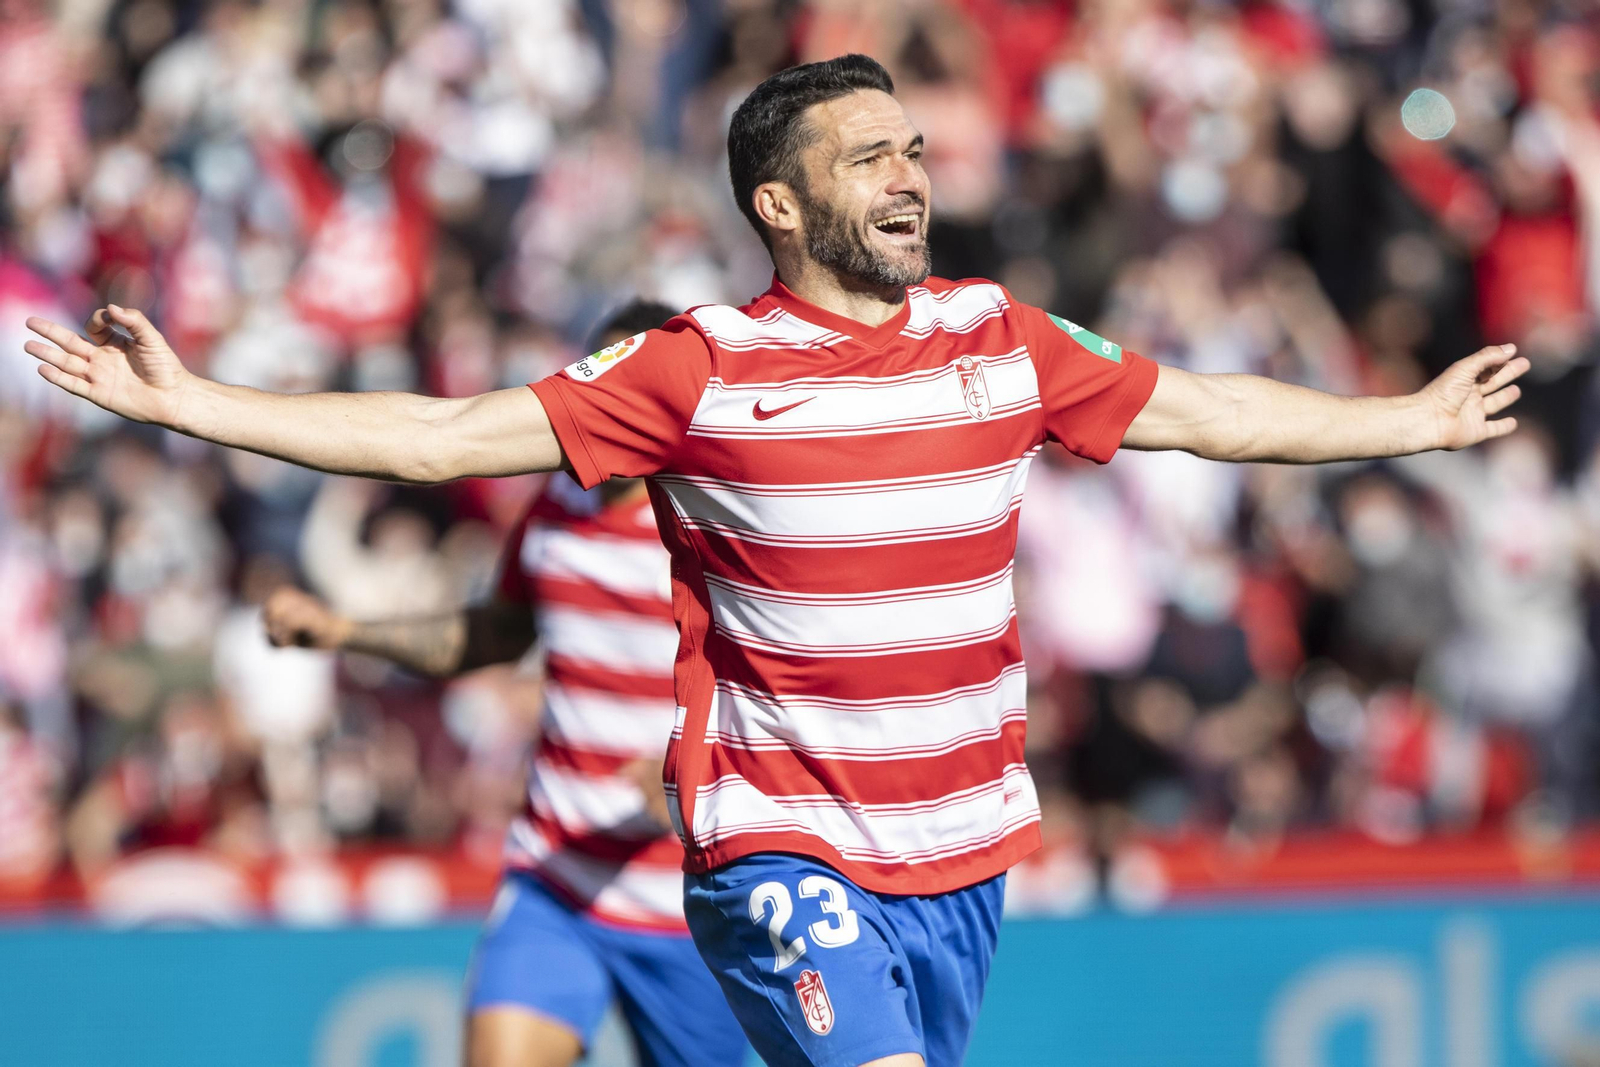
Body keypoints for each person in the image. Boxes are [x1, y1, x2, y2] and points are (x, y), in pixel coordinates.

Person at [23, 53, 1527, 1067]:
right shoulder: (699, 372)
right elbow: (439, 434)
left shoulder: (1001, 339)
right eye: (865, 155)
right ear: (781, 204)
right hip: (771, 851)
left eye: (914, 150)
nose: (907, 174)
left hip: (955, 851)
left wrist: (1406, 416)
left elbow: (1208, 411)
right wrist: (194, 399)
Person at [258, 300, 748, 1067]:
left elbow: (799, 686)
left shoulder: (721, 519)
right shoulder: (555, 503)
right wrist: (346, 632)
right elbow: (491, 634)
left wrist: (702, 780)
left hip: (691, 899)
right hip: (554, 875)